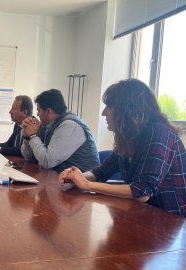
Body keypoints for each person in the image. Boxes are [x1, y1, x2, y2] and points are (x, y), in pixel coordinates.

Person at [59, 79, 186, 217]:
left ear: (127, 110)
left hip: (171, 222)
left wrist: (87, 185)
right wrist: (76, 177)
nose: (103, 113)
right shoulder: (129, 137)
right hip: (142, 214)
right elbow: (100, 173)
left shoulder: (159, 133)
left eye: (109, 107)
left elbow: (142, 192)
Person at [21, 89, 99, 172]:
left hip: (80, 182)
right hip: (59, 179)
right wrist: (27, 137)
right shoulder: (47, 126)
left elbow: (47, 162)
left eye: (39, 110)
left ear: (48, 111)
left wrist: (33, 136)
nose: (37, 114)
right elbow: (29, 157)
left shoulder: (69, 126)